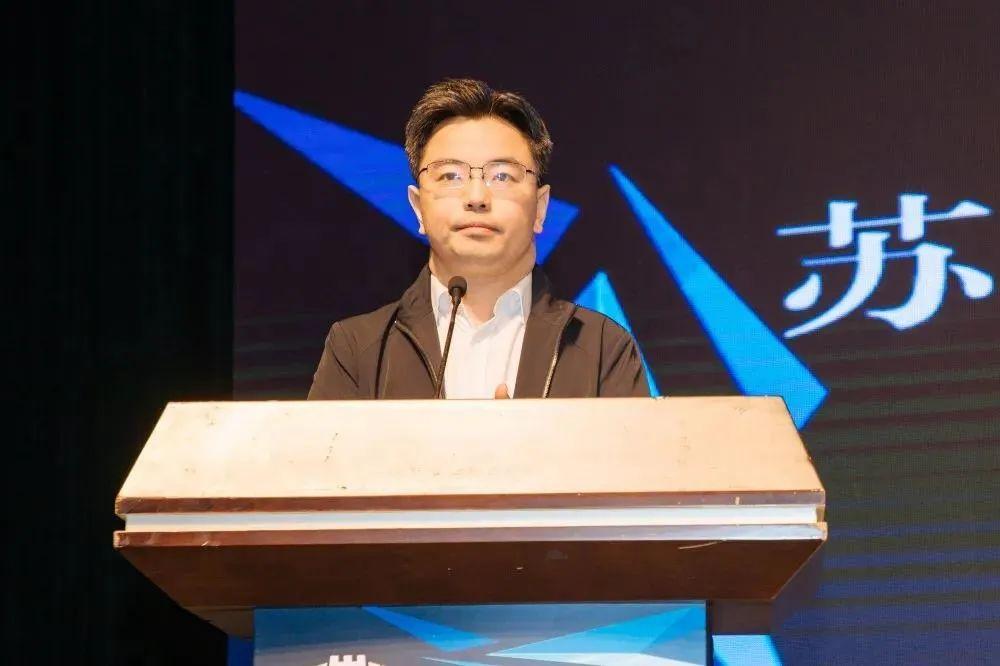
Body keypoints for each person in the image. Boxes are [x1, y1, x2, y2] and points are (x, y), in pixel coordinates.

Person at [308, 78, 650, 400]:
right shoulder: (356, 350)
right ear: (418, 208)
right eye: (450, 175)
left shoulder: (603, 349)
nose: (476, 197)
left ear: (541, 208)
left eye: (501, 176)